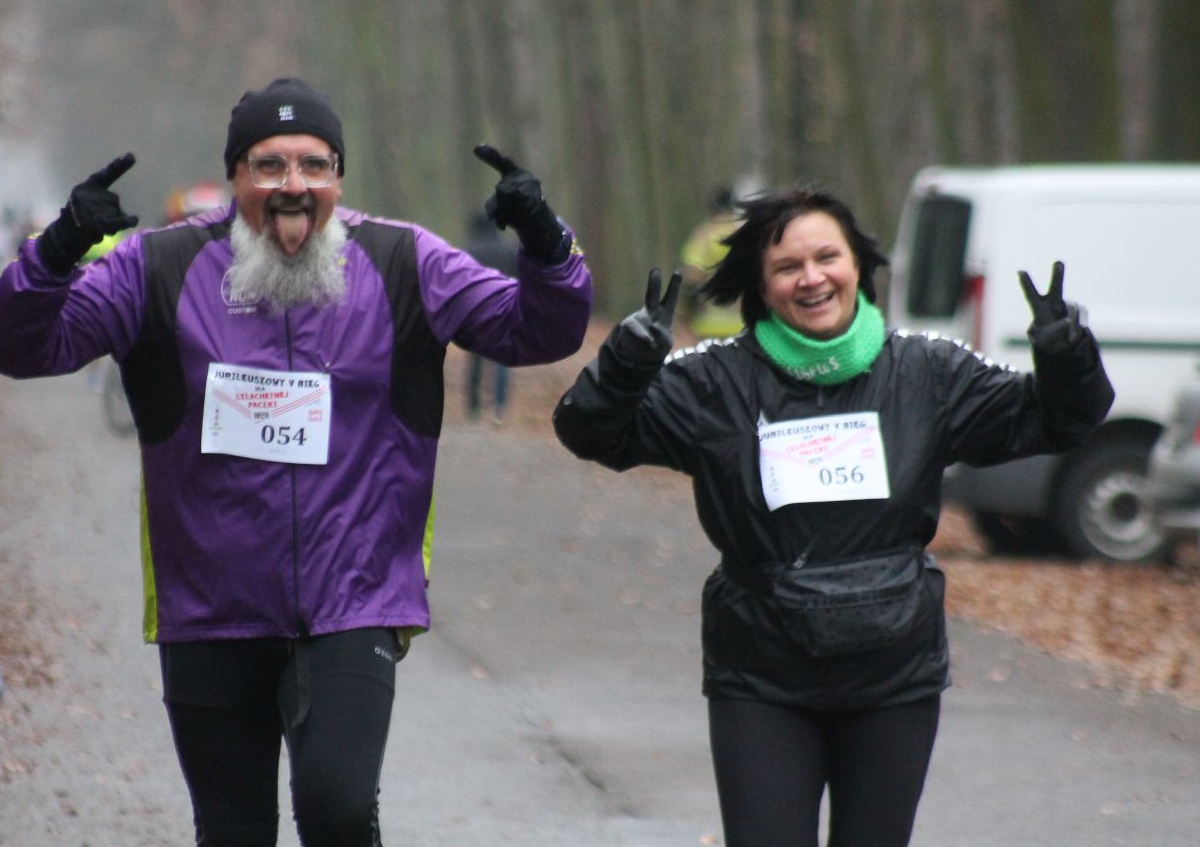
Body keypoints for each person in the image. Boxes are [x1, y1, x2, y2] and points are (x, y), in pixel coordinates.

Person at [0, 77, 592, 846]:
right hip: (209, 608)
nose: (293, 185)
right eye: (268, 165)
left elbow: (540, 330)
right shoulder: (157, 267)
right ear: (235, 176)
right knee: (232, 831)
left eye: (314, 165)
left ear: (339, 177)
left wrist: (546, 241)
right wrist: (57, 248)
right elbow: (18, 347)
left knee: (338, 808)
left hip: (354, 597)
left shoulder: (403, 261)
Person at [552, 189, 1113, 847]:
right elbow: (589, 431)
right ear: (762, 287)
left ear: (858, 266)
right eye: (788, 267)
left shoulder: (926, 370)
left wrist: (1066, 355)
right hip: (762, 676)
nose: (812, 278)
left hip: (892, 675)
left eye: (827, 257)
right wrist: (624, 365)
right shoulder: (712, 382)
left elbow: (1056, 420)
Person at [462, 210, 519, 423]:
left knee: (475, 360)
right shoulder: (508, 251)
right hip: (503, 310)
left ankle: (474, 407)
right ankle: (499, 407)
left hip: (475, 311)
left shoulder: (467, 251)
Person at [679, 185, 743, 339]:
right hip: (743, 323)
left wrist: (685, 315)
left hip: (708, 325)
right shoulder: (746, 235)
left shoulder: (703, 237)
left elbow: (692, 277)